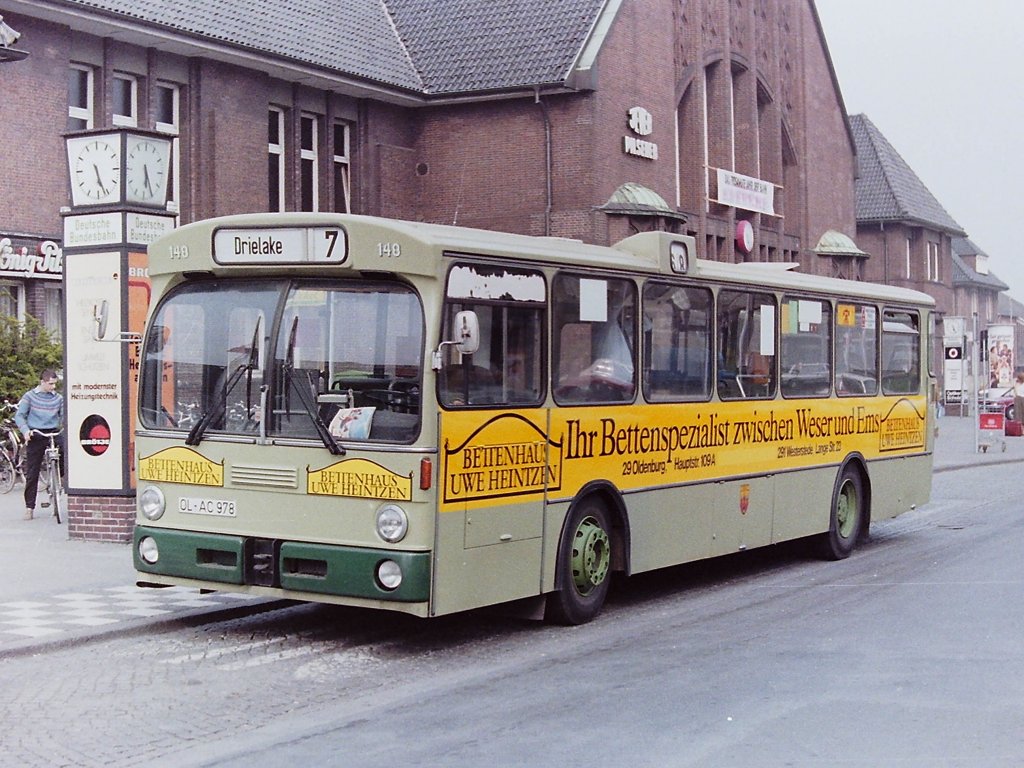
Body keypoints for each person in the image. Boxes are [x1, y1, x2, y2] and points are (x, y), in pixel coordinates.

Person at [14, 369, 63, 520]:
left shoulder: (58, 398)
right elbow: (20, 416)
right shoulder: (30, 396)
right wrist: (25, 431)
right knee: (33, 470)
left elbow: (63, 415)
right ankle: (30, 507)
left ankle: (58, 479)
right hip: (36, 433)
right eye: (50, 384)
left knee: (66, 452)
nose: (53, 387)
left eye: (55, 384)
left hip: (53, 431)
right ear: (42, 382)